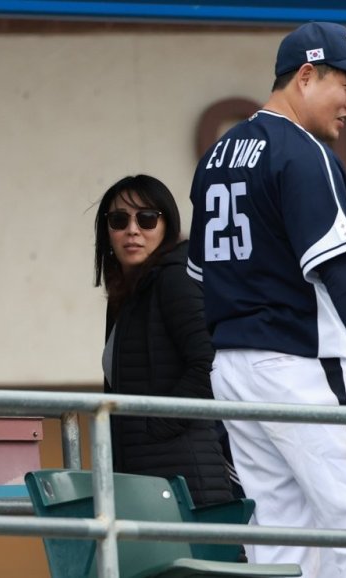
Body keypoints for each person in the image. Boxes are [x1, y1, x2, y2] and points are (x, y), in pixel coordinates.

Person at [186, 21, 346, 578]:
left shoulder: (218, 153)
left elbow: (199, 276)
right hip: (302, 366)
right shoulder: (300, 151)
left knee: (284, 541)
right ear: (306, 77)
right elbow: (339, 264)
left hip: (236, 372)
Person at [94, 174, 236, 508]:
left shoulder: (174, 279)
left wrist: (154, 426)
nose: (133, 230)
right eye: (119, 220)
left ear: (166, 226)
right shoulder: (127, 296)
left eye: (146, 219)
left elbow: (210, 364)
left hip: (185, 477)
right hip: (146, 476)